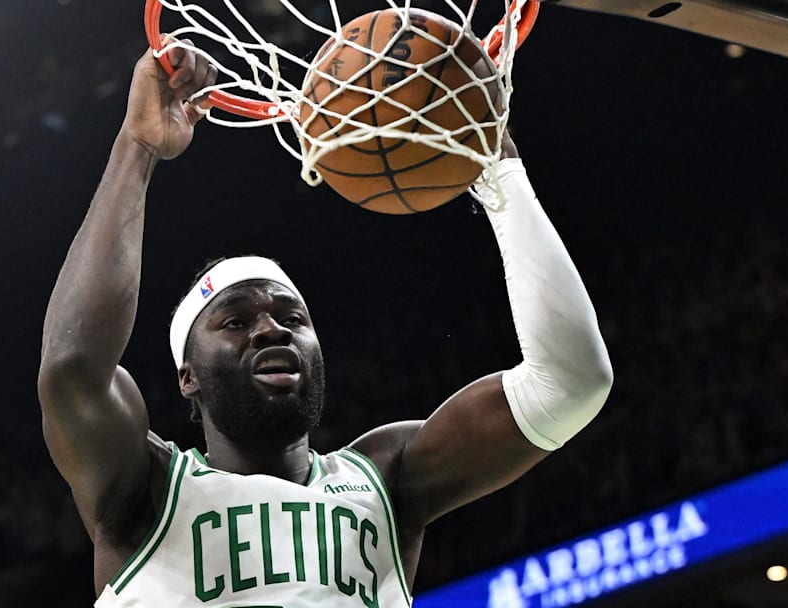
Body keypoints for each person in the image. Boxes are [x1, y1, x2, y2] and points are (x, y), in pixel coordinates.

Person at [38, 43, 613, 608]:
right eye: (235, 322)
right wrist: (137, 147)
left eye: (291, 317)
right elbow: (72, 369)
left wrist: (501, 175)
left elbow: (570, 383)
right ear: (187, 376)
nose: (270, 330)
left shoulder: (388, 477)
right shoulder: (146, 489)